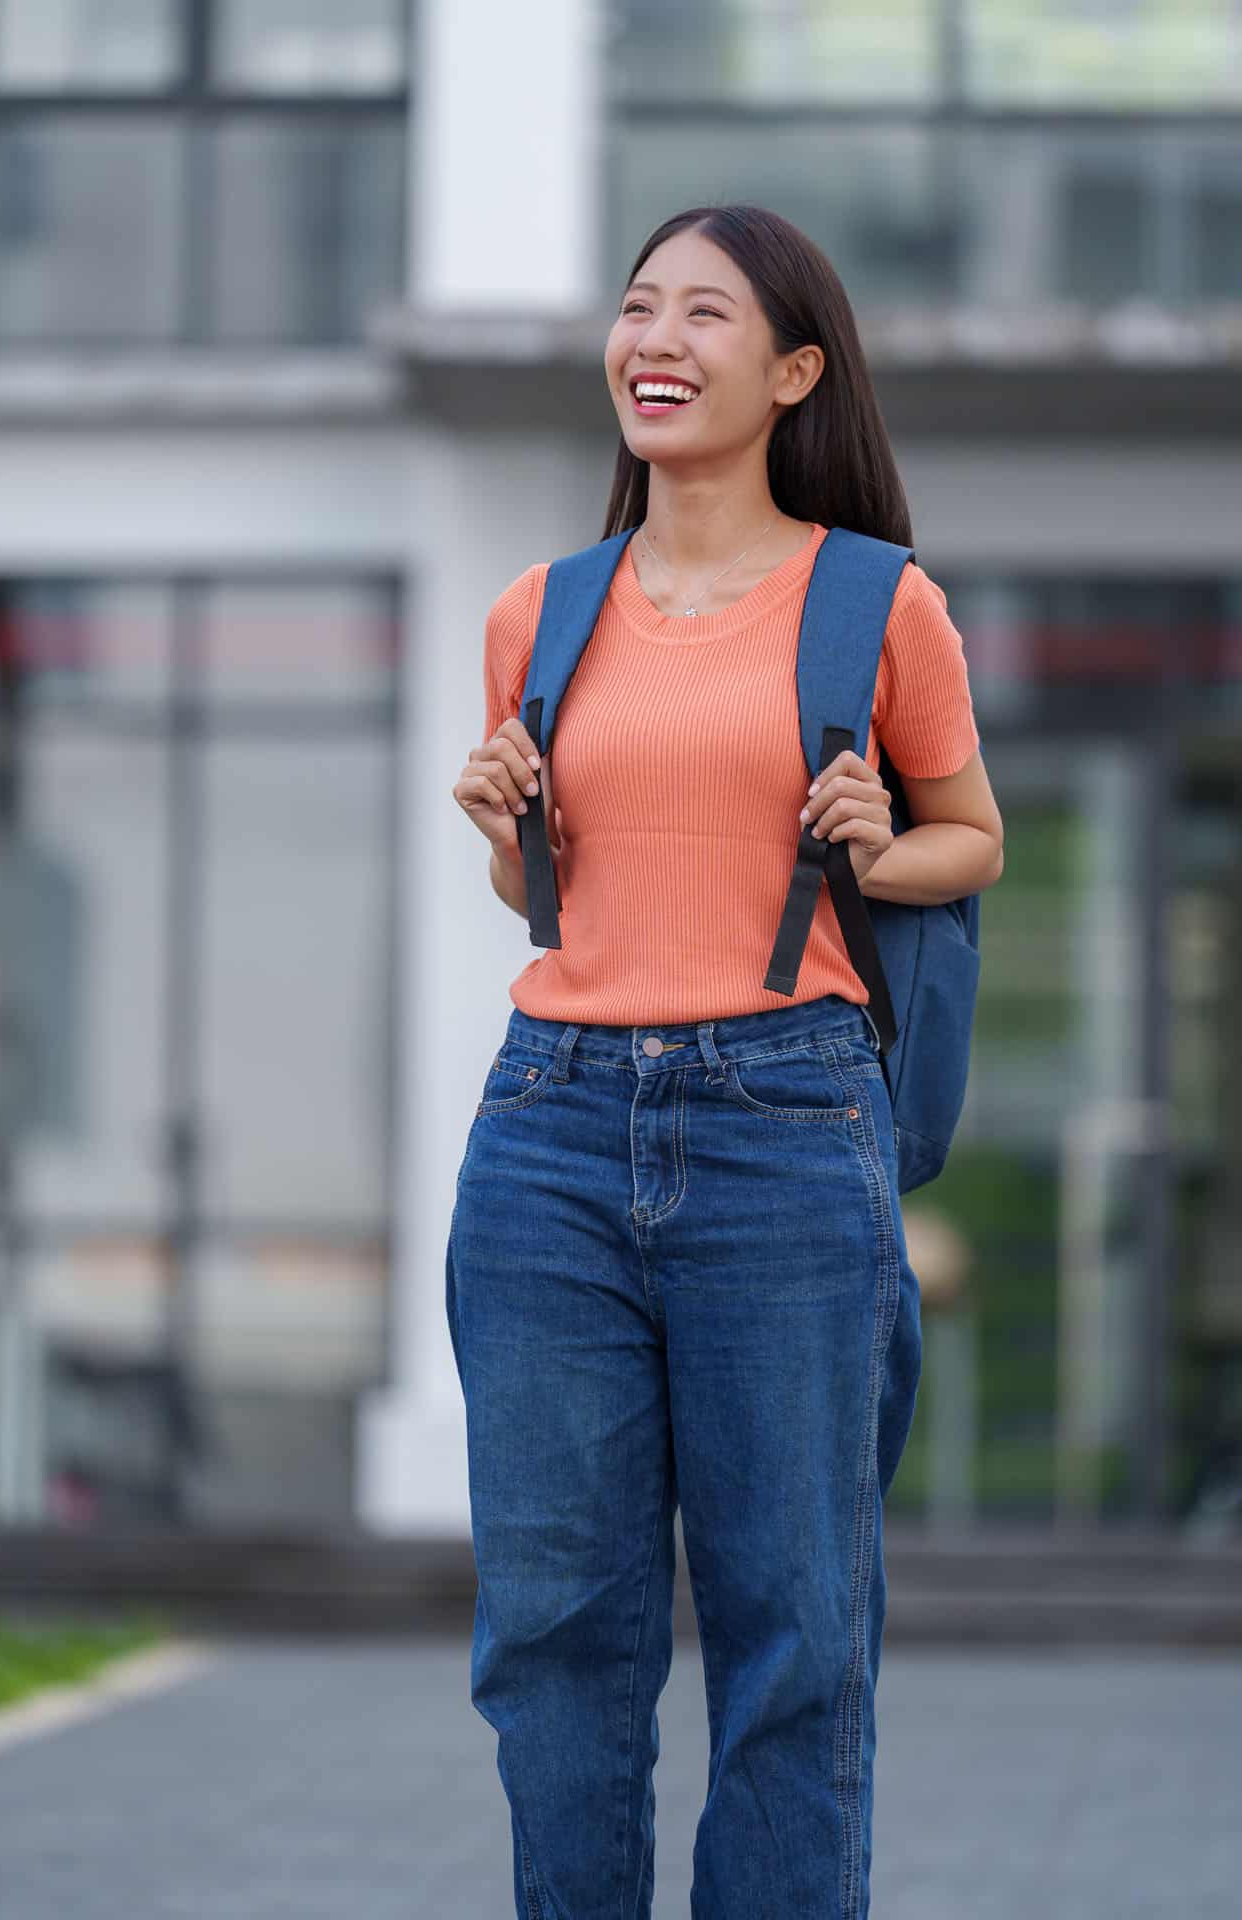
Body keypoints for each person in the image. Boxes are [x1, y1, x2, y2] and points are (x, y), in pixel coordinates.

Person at [447, 203, 1005, 1920]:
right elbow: (549, 900)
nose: (656, 341)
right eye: (637, 310)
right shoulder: (541, 612)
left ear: (794, 372)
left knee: (793, 1631)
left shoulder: (875, 602)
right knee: (552, 1631)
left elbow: (969, 838)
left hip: (784, 1116)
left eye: (705, 315)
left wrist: (871, 836)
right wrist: (498, 824)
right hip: (549, 1128)